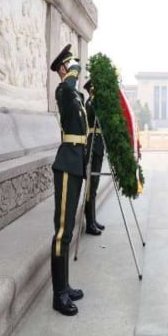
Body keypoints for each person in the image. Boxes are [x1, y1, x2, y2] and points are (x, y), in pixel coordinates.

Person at [48, 44, 86, 316]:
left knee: (69, 228)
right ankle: (58, 294)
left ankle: (65, 285)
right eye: (71, 65)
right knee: (62, 232)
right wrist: (71, 74)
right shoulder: (64, 90)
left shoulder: (75, 94)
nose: (76, 69)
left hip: (76, 162)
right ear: (63, 68)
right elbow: (70, 89)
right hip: (66, 164)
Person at [82, 79, 106, 235]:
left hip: (97, 145)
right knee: (91, 187)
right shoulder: (90, 104)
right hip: (92, 146)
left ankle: (93, 219)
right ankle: (89, 224)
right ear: (91, 89)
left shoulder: (93, 103)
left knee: (95, 186)